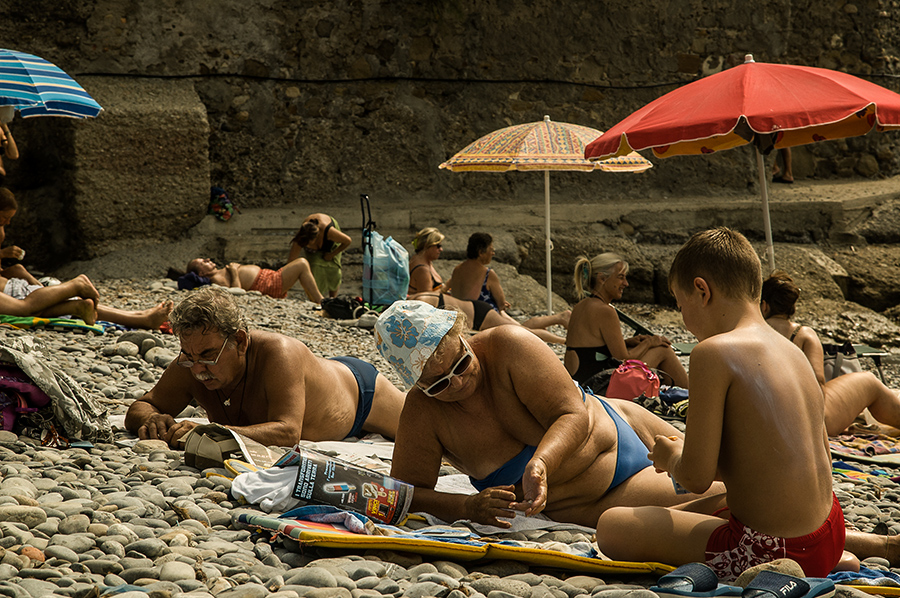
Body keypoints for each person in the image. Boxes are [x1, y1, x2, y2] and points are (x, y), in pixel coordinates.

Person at [594, 227, 899, 580]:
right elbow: (764, 462)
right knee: (702, 510)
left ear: (701, 290)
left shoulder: (712, 353)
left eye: (681, 306)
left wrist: (670, 458)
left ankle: (794, 566)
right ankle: (828, 558)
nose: (684, 320)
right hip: (829, 530)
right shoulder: (793, 352)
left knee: (612, 525)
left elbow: (695, 476)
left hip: (769, 547)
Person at [374, 300, 725, 529]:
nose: (458, 382)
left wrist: (541, 462)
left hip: (620, 422)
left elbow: (573, 414)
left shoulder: (509, 345)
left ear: (464, 336)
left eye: (462, 363)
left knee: (741, 465)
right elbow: (406, 493)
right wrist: (467, 506)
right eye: (438, 385)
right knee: (730, 499)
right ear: (417, 386)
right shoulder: (423, 412)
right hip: (602, 493)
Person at [125, 287, 406, 448]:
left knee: (431, 431)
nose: (198, 369)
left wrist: (211, 433)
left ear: (240, 341)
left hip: (361, 393)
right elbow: (141, 406)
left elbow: (287, 432)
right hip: (326, 382)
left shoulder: (279, 354)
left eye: (209, 356)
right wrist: (152, 419)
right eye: (189, 356)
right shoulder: (192, 361)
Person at [762, 270, 900, 436]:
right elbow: (817, 385)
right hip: (808, 423)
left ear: (764, 306)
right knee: (869, 381)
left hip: (764, 418)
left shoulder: (746, 334)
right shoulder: (802, 335)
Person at [564, 253, 689, 388]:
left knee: (641, 348)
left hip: (580, 382)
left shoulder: (581, 306)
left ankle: (677, 396)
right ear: (602, 279)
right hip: (599, 386)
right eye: (621, 277)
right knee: (662, 350)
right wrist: (650, 342)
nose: (626, 283)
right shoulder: (605, 311)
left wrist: (628, 342)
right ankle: (691, 398)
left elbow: (589, 350)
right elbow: (623, 359)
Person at [409, 291, 568, 344]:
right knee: (521, 329)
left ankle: (563, 338)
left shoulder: (420, 303)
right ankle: (559, 322)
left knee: (523, 332)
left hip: (479, 314)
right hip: (473, 309)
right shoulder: (417, 298)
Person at [186, 257, 324, 304]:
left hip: (268, 278)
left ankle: (317, 301)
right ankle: (321, 301)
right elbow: (237, 292)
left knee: (301, 266)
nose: (208, 260)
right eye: (203, 262)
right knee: (301, 264)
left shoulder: (220, 272)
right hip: (266, 284)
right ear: (202, 272)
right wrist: (234, 272)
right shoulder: (216, 279)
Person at [289, 213, 351, 298]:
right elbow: (291, 262)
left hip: (330, 244)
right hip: (313, 245)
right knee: (315, 268)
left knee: (334, 270)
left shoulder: (330, 232)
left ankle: (333, 297)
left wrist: (332, 254)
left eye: (311, 243)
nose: (310, 245)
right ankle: (316, 297)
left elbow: (347, 241)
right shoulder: (301, 238)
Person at [446, 232, 509, 312]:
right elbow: (501, 305)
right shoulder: (487, 274)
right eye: (491, 250)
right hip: (480, 320)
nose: (493, 253)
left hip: (459, 316)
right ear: (481, 252)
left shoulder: (457, 270)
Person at [408, 227, 445, 295]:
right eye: (438, 246)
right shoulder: (422, 269)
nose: (441, 249)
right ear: (427, 245)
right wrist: (447, 286)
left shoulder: (424, 261)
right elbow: (427, 299)